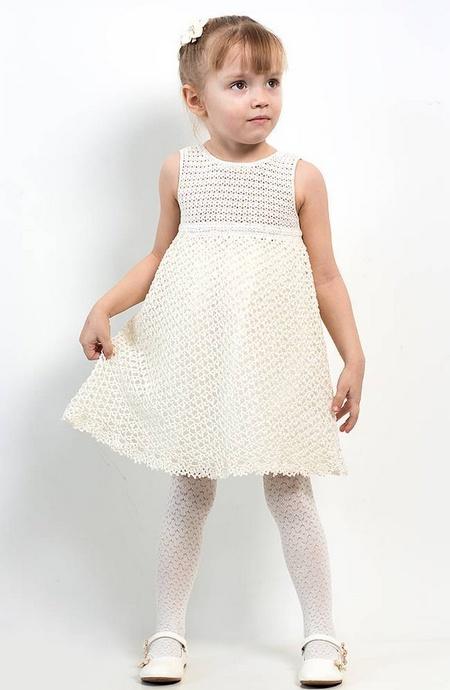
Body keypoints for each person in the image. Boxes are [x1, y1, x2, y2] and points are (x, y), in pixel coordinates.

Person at [61, 15, 365, 687]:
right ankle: (168, 631)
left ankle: (322, 634)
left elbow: (326, 276)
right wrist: (104, 306)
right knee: (189, 489)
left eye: (272, 82)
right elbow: (158, 256)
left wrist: (353, 356)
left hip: (276, 357)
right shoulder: (180, 170)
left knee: (291, 490)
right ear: (194, 99)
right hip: (198, 353)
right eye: (239, 84)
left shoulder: (301, 178)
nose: (261, 98)